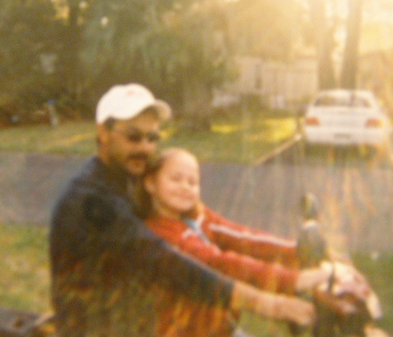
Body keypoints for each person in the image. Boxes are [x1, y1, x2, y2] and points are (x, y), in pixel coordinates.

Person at [49, 84, 316, 337]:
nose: (145, 147)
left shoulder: (126, 178)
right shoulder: (91, 200)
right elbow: (168, 262)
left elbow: (226, 233)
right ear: (103, 133)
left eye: (152, 137)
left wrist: (297, 254)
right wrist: (271, 304)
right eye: (133, 136)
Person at [137, 147, 342, 337]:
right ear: (150, 183)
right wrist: (293, 279)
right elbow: (220, 263)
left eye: (192, 182)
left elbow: (242, 236)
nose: (185, 187)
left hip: (222, 326)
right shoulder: (159, 235)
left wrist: (297, 249)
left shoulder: (196, 216)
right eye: (175, 179)